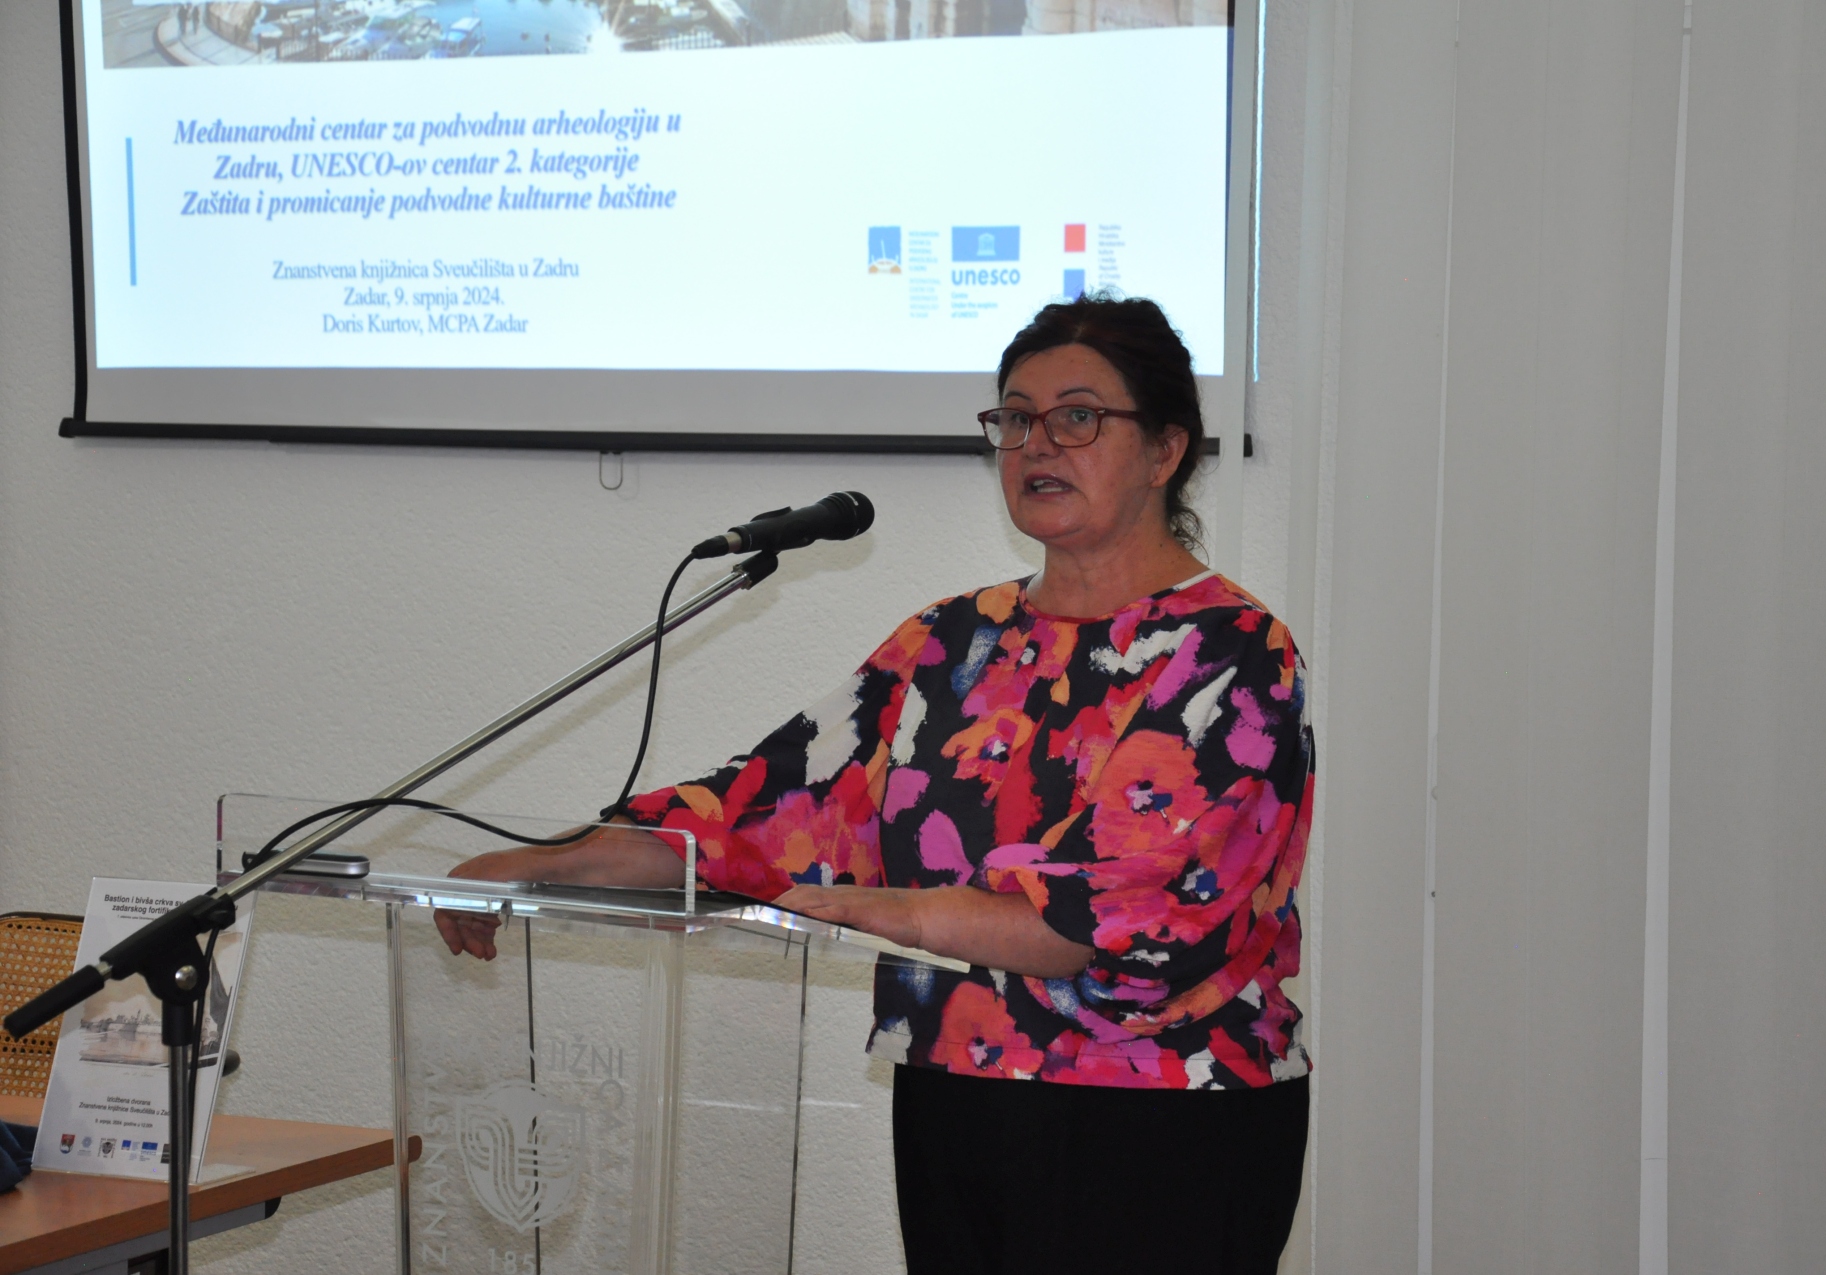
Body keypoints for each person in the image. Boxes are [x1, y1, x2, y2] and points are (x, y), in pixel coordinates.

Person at [437, 294, 1315, 1275]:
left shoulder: (1234, 651)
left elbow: (1111, 911)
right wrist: (543, 863)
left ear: (1165, 449)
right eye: (1015, 418)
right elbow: (763, 816)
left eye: (1078, 417)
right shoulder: (952, 640)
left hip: (1168, 1117)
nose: (1037, 444)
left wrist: (897, 910)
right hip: (961, 1099)